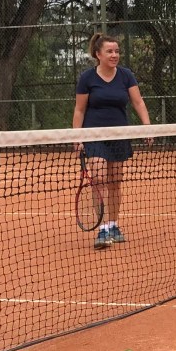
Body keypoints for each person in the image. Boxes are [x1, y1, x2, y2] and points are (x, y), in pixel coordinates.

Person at [72, 32, 152, 250]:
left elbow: (138, 102)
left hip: (119, 135)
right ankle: (102, 229)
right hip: (94, 136)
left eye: (116, 51)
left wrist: (148, 127)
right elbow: (79, 110)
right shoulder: (87, 78)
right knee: (98, 180)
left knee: (115, 182)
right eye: (110, 51)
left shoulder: (126, 76)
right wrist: (77, 136)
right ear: (98, 54)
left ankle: (114, 225)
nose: (114, 55)